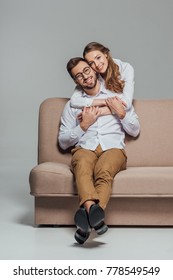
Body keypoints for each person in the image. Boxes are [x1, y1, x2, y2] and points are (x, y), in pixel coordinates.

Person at [58, 57, 140, 244]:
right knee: (83, 166)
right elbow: (63, 141)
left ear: (94, 70)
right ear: (75, 81)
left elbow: (135, 130)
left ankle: (85, 218)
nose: (85, 77)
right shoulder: (72, 105)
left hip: (113, 149)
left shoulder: (116, 96)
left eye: (86, 71)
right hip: (84, 148)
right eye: (79, 76)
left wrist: (122, 114)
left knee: (103, 170)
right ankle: (93, 218)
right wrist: (83, 126)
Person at [70, 42, 134, 111]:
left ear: (105, 54)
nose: (97, 65)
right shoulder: (92, 75)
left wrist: (100, 112)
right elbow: (74, 101)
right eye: (91, 63)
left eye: (98, 58)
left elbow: (126, 104)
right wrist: (105, 101)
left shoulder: (125, 68)